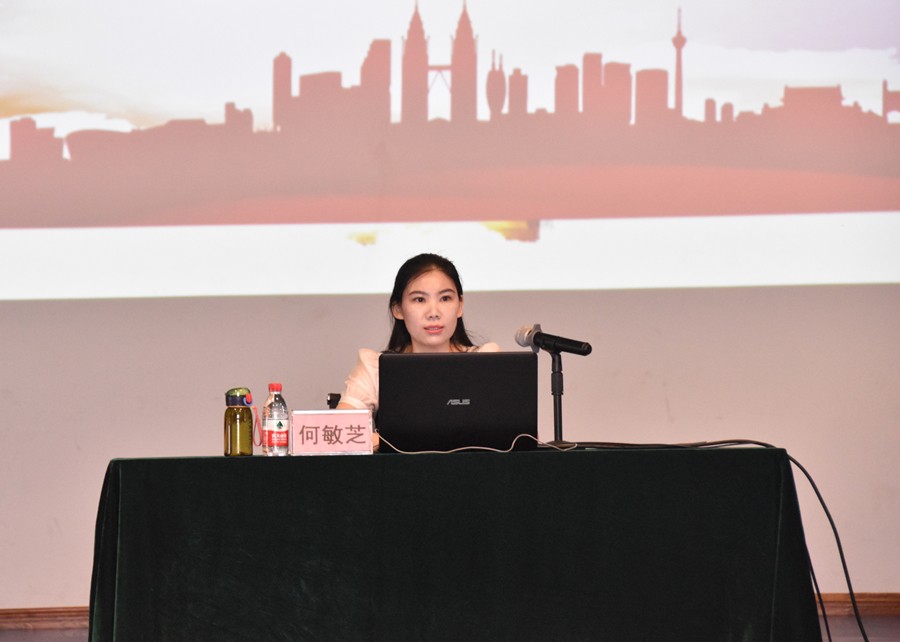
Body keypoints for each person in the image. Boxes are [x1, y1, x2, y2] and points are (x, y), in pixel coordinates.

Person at [337, 253, 499, 413]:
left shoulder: (486, 360)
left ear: (460, 306)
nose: (433, 313)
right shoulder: (375, 368)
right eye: (419, 299)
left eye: (445, 298)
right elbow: (342, 425)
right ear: (398, 309)